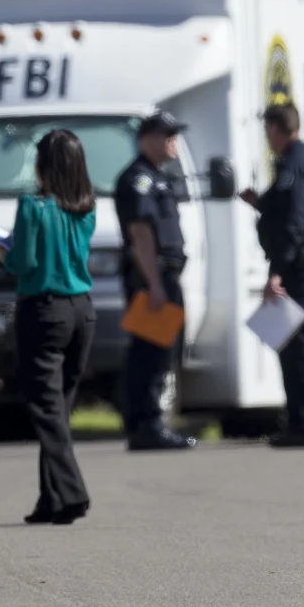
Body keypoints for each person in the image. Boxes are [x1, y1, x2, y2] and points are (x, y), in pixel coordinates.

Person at [0, 129, 95, 525]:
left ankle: (72, 492)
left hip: (44, 309)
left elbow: (23, 263)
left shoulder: (32, 207)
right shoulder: (86, 208)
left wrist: (2, 253)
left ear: (43, 166)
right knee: (59, 408)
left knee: (46, 408)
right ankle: (50, 498)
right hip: (82, 311)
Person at [239, 103, 304, 448]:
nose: (267, 139)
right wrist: (261, 204)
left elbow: (293, 221)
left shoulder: (293, 163)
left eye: (268, 131)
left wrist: (277, 272)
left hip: (301, 265)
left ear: (278, 129)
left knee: (301, 344)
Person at [113, 111, 197, 451]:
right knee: (150, 352)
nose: (173, 141)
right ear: (147, 139)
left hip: (164, 276)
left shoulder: (157, 177)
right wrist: (154, 284)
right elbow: (140, 232)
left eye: (175, 135)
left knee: (162, 351)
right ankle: (146, 424)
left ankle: (148, 423)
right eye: (167, 135)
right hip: (153, 276)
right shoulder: (139, 179)